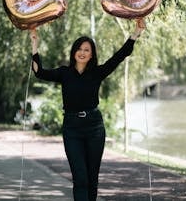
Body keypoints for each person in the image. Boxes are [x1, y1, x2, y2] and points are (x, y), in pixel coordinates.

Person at [29, 19, 145, 201]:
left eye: (86, 50)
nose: (82, 53)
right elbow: (39, 72)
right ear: (74, 52)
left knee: (92, 179)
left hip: (94, 128)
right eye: (79, 49)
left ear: (92, 55)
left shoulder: (97, 72)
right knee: (80, 178)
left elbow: (120, 55)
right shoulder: (64, 73)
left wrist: (136, 33)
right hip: (72, 128)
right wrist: (34, 44)